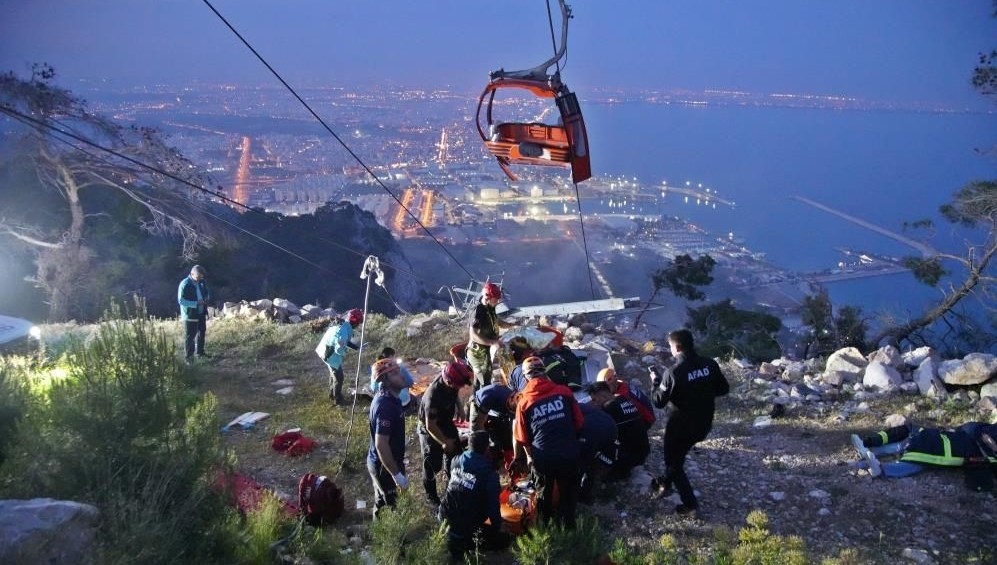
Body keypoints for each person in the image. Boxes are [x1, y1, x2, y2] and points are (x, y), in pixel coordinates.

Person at [650, 329, 729, 515]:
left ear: (677, 348)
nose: (670, 349)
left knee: (673, 462)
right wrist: (702, 393)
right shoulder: (710, 364)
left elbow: (658, 402)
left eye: (670, 346)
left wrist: (655, 383)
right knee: (678, 457)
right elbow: (723, 389)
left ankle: (689, 504)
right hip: (704, 422)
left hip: (680, 425)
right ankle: (665, 482)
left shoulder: (673, 372)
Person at [513, 356, 584, 528]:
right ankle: (569, 527)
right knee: (568, 493)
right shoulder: (564, 392)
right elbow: (579, 422)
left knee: (543, 493)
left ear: (526, 377)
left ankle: (545, 529)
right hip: (568, 452)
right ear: (545, 372)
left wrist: (530, 457)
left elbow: (522, 437)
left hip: (543, 457)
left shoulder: (524, 402)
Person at [851, 421, 997, 489]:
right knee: (912, 457)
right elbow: (977, 431)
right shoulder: (980, 433)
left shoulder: (984, 454)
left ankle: (869, 462)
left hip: (937, 444)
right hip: (939, 445)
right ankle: (875, 461)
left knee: (910, 454)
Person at [439, 431, 512, 559]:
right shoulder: (489, 474)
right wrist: (499, 526)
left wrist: (497, 488)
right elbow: (493, 508)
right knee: (506, 539)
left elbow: (463, 486)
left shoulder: (456, 460)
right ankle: (465, 545)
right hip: (466, 527)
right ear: (487, 449)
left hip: (444, 517)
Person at [418, 360, 473, 509]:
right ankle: (432, 497)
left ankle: (454, 486)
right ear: (449, 382)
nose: (460, 387)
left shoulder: (452, 380)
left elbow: (455, 393)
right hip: (431, 429)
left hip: (446, 422)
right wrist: (443, 441)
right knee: (432, 465)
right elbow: (430, 425)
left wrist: (460, 407)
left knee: (455, 455)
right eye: (458, 385)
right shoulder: (433, 396)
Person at [367, 358, 410, 519]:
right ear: (384, 380)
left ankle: (377, 525)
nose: (401, 376)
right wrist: (396, 475)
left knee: (381, 500)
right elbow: (381, 445)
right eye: (394, 374)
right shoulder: (385, 406)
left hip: (386, 462)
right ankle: (394, 534)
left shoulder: (392, 398)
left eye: (399, 371)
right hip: (384, 466)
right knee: (394, 506)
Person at [467, 282, 515, 420]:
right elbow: (474, 335)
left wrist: (511, 325)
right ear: (488, 297)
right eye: (496, 299)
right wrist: (492, 342)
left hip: (487, 349)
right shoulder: (478, 311)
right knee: (485, 382)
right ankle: (481, 415)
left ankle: (475, 408)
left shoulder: (490, 308)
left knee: (480, 382)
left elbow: (496, 321)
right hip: (477, 352)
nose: (498, 301)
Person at [587, 381, 650, 481]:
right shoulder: (624, 399)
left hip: (631, 457)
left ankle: (618, 472)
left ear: (602, 395)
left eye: (594, 399)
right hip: (643, 450)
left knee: (593, 447)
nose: (594, 403)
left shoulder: (609, 408)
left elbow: (595, 430)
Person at [316, 308, 364, 405]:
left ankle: (332, 394)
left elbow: (345, 341)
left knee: (333, 374)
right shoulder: (344, 331)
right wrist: (343, 352)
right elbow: (339, 348)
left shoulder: (342, 324)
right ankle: (338, 400)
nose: (358, 325)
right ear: (355, 322)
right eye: (358, 323)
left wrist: (356, 348)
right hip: (330, 355)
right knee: (339, 377)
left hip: (323, 350)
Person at [576, 400, 618, 503]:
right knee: (591, 459)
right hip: (611, 426)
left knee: (583, 463)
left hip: (593, 431)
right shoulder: (576, 404)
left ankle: (583, 495)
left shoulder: (565, 412)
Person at [471, 383, 518, 466]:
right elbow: (480, 425)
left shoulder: (516, 400)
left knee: (505, 434)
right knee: (477, 437)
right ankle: (480, 464)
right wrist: (486, 447)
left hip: (496, 409)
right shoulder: (488, 398)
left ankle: (505, 458)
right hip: (479, 403)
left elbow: (515, 429)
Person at [177, 264, 211, 363]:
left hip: (201, 312)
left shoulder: (202, 282)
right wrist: (195, 303)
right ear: (192, 274)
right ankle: (189, 358)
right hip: (190, 314)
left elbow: (206, 292)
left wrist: (206, 298)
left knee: (201, 332)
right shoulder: (185, 284)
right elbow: (181, 300)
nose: (199, 279)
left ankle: (200, 353)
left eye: (201, 277)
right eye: (198, 277)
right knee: (190, 336)